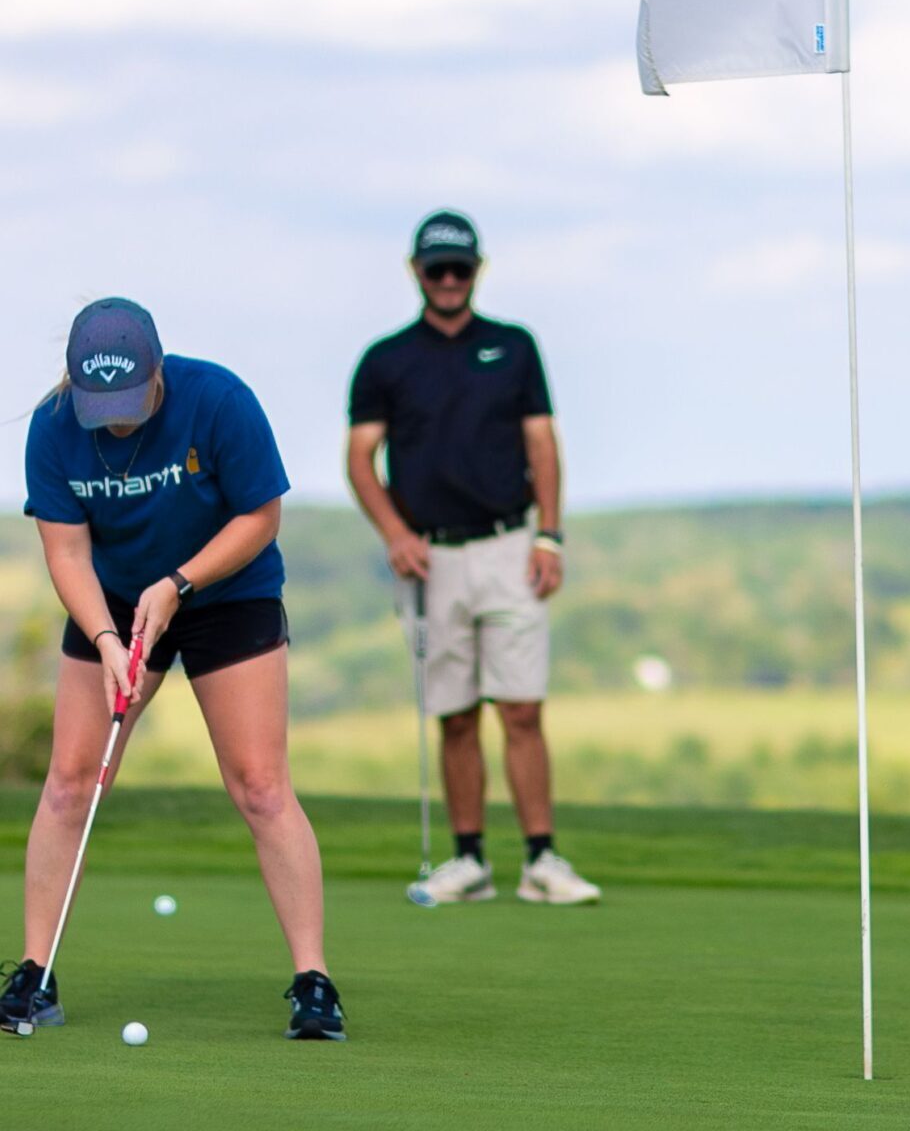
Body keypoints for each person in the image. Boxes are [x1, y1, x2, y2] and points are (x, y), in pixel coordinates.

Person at [1, 297, 346, 1041]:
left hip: (228, 591)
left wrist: (179, 583)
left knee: (259, 784)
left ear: (158, 371)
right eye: (101, 406)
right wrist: (102, 637)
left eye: (129, 402)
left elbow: (261, 517)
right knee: (69, 781)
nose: (116, 421)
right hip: (114, 601)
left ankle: (314, 981)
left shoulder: (219, 401)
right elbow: (65, 552)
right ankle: (35, 972)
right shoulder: (54, 429)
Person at [346, 209, 600, 906]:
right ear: (417, 273)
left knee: (521, 708)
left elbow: (542, 445)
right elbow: (360, 459)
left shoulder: (514, 347)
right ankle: (469, 861)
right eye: (438, 269)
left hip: (509, 546)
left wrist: (550, 534)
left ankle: (543, 859)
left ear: (478, 270)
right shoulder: (386, 360)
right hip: (430, 556)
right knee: (455, 713)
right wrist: (395, 533)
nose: (450, 280)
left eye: (461, 268)